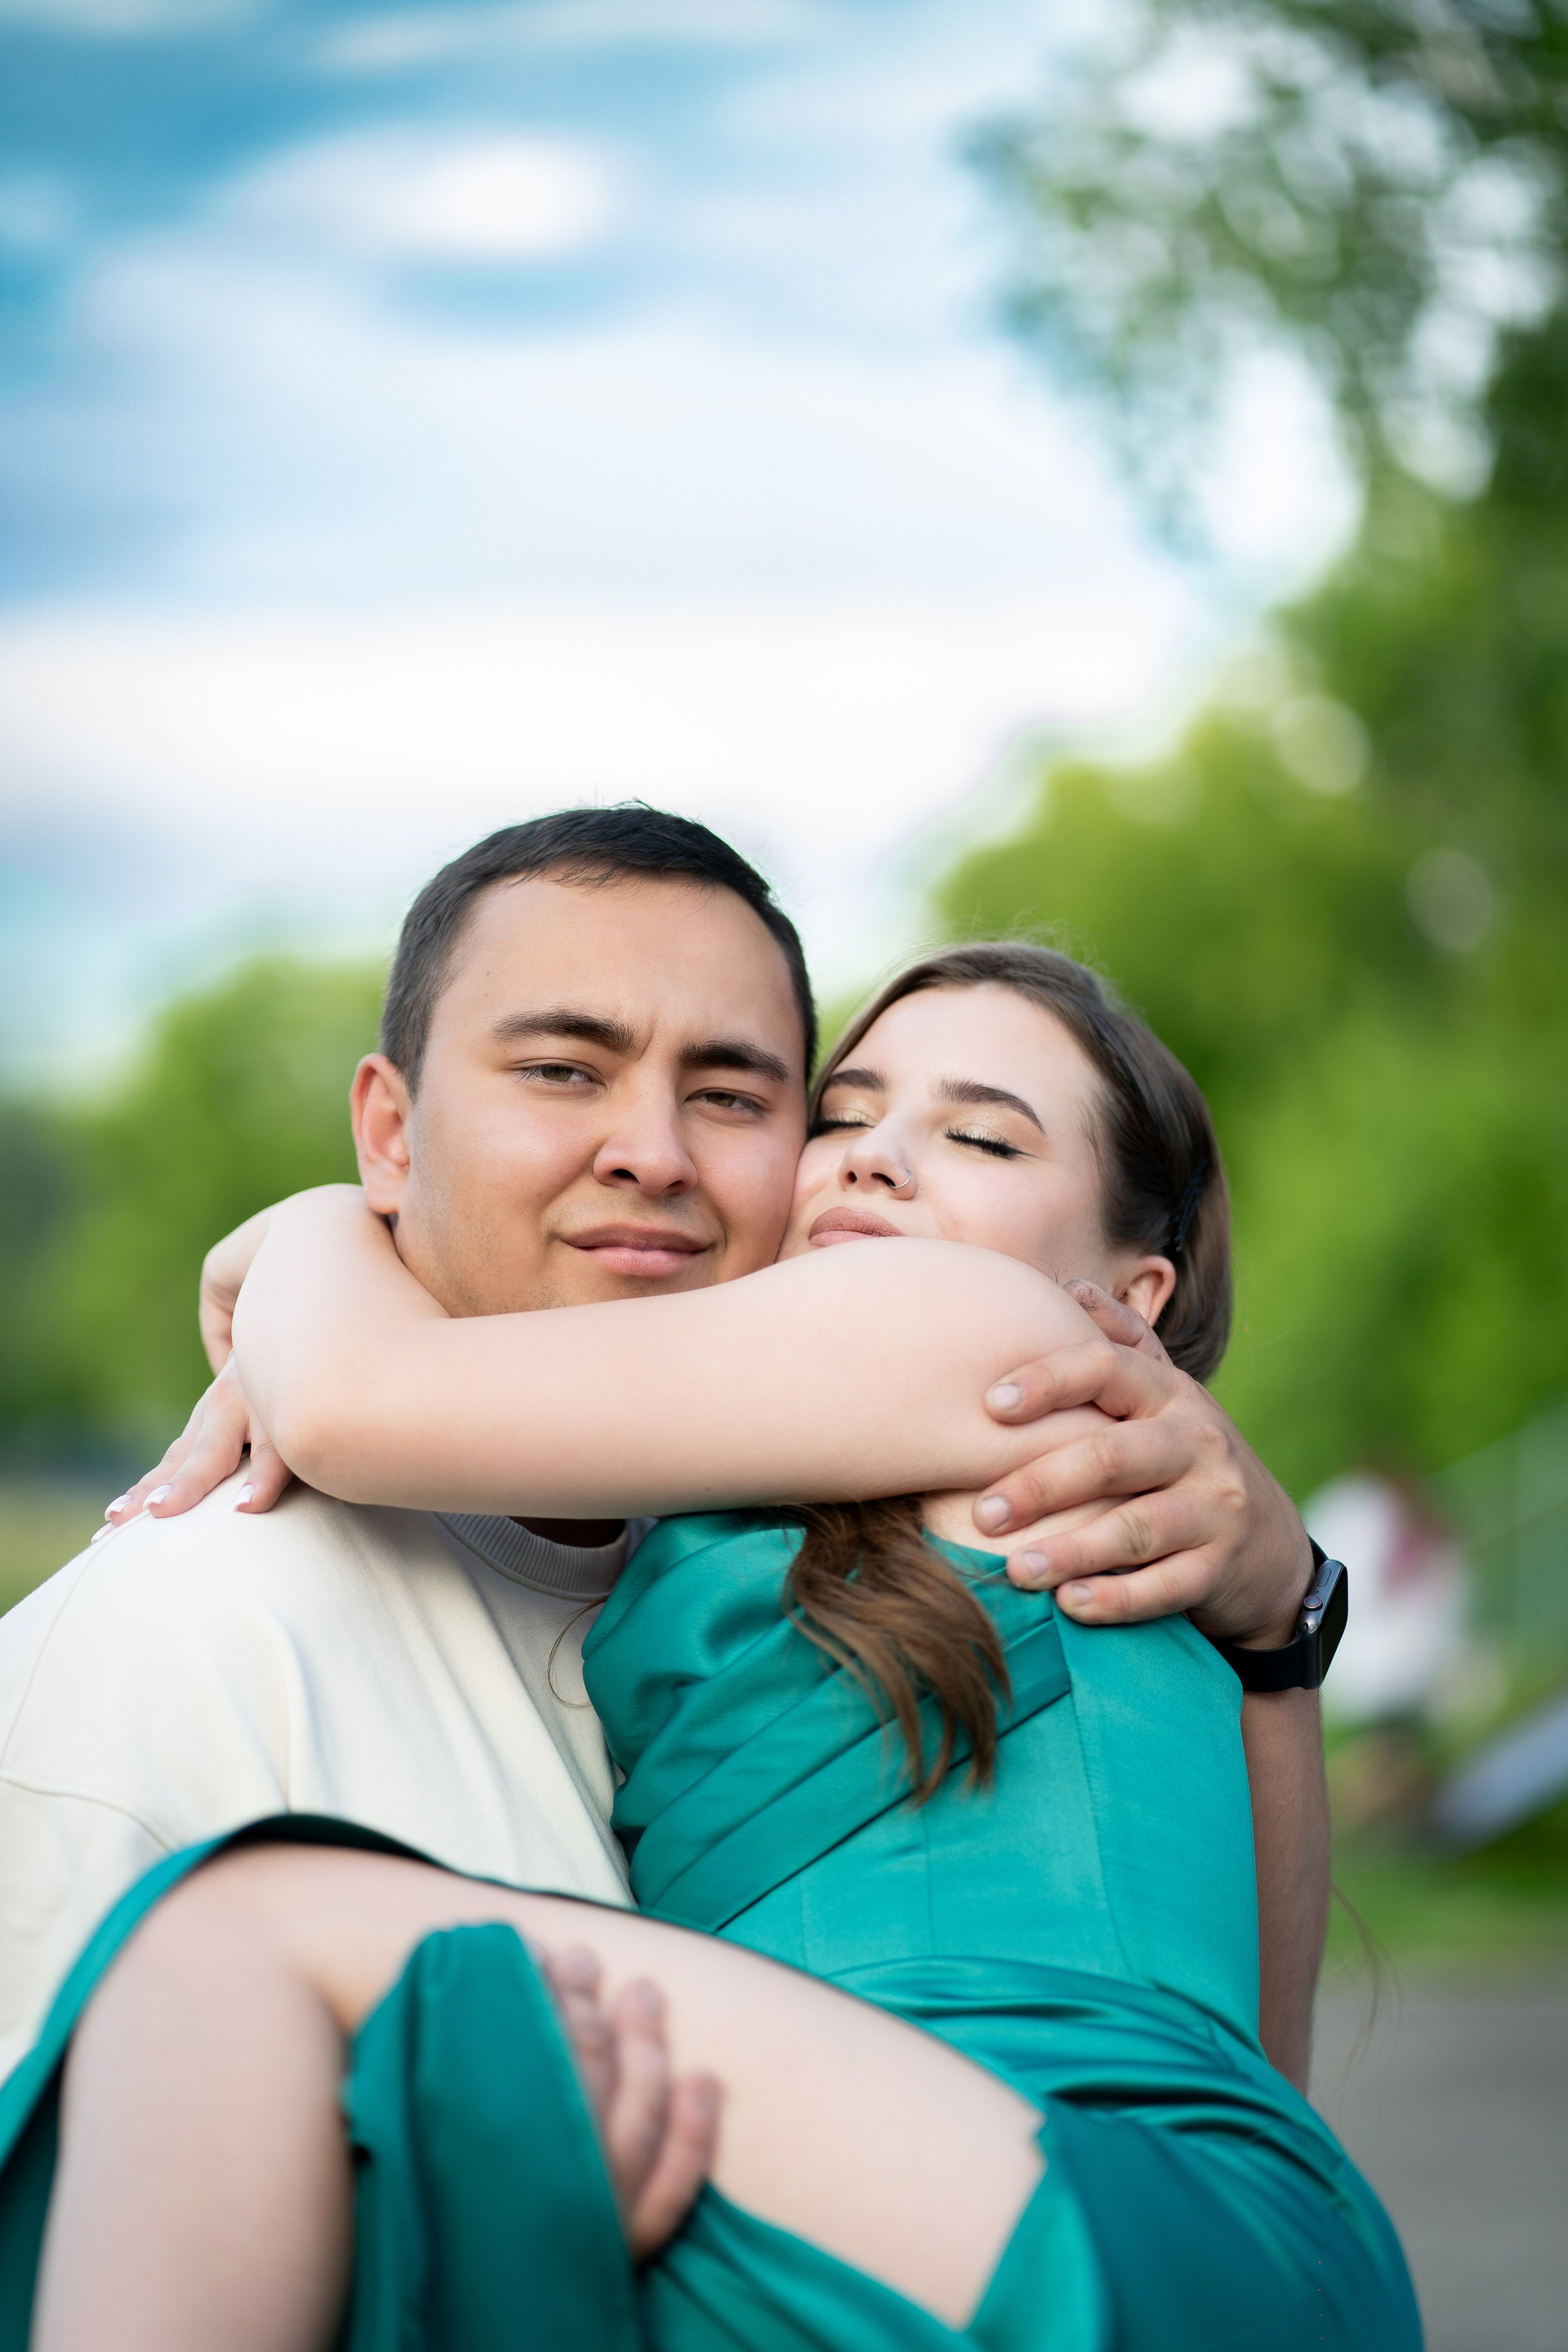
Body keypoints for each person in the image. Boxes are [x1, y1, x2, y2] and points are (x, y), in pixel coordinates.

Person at [0, 940, 1418, 2351]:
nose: (877, 1161)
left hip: (1060, 2182)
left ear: (1138, 1293)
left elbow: (348, 1403)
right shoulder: (1104, 1532)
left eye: (982, 1136)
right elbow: (1263, 2065)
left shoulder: (998, 1328)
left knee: (228, 1946)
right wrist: (1283, 1627)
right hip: (1056, 2227)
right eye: (844, 1115)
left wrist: (313, 1226)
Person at [0, 811, 1325, 2084]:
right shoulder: (196, 1627)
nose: (654, 1152)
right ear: (393, 1133)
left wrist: (304, 1237)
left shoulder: (997, 1391)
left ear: (1135, 1294)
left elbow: (1236, 2080)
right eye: (563, 1071)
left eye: (734, 1096)